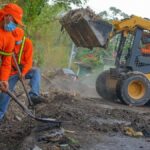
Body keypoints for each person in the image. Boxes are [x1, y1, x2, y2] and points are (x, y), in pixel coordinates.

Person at [0, 27, 46, 121]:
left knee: (36, 71)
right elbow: (4, 63)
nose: (17, 42)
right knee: (5, 93)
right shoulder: (7, 41)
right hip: (10, 72)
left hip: (24, 69)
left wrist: (24, 73)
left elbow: (29, 61)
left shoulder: (27, 43)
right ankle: (0, 113)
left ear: (22, 37)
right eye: (15, 41)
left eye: (18, 41)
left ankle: (33, 95)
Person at [0, 3, 24, 121]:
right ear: (7, 16)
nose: (14, 25)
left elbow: (6, 62)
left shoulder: (9, 38)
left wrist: (4, 79)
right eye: (14, 21)